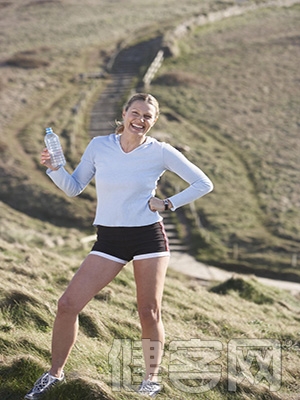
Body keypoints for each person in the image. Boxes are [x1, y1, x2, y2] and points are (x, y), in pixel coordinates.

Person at [24, 93, 213, 399]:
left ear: (154, 121)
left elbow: (203, 183)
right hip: (110, 238)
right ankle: (54, 374)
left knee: (149, 311)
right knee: (67, 305)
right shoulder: (100, 146)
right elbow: (74, 188)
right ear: (124, 114)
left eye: (147, 116)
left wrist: (167, 203)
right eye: (135, 113)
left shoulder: (160, 151)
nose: (140, 120)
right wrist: (55, 169)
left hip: (148, 236)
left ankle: (151, 379)